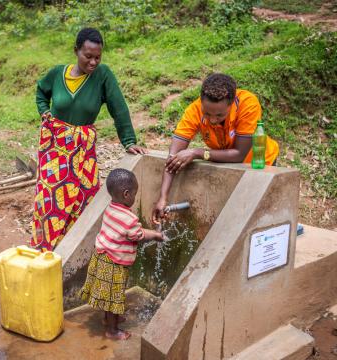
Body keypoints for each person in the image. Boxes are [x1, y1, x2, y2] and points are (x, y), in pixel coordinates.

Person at [31, 28, 146, 251]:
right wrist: (44, 110)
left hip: (82, 152)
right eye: (88, 56)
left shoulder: (102, 76)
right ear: (76, 51)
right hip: (54, 147)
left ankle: (71, 249)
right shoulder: (57, 74)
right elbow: (40, 91)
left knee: (83, 199)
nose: (93, 62)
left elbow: (118, 108)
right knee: (49, 201)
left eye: (97, 57)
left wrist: (129, 141)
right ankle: (45, 251)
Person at [152, 73, 279, 222]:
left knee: (260, 215)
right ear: (201, 102)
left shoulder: (247, 104)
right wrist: (162, 198)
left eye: (219, 115)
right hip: (227, 164)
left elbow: (239, 155)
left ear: (231, 104)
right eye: (207, 113)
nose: (212, 120)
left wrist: (197, 152)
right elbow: (173, 157)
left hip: (259, 163)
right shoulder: (194, 111)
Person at [80, 168, 163, 340]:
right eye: (134, 194)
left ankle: (108, 319)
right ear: (126, 194)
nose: (134, 197)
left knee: (109, 295)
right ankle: (112, 330)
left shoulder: (111, 208)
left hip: (102, 257)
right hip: (113, 264)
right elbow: (138, 235)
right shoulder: (129, 219)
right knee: (113, 297)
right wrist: (156, 234)